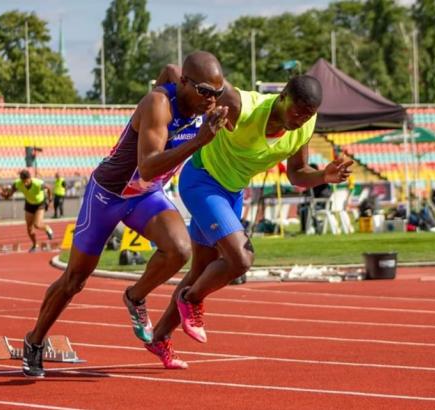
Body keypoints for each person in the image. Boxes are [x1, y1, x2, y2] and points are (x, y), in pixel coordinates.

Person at [20, 51, 229, 378]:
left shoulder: (206, 102)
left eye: (217, 93)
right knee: (74, 280)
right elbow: (146, 166)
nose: (212, 100)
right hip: (108, 195)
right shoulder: (158, 105)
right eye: (204, 91)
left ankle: (135, 296)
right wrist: (199, 141)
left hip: (145, 196)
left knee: (180, 250)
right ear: (185, 84)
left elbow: (168, 67)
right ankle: (34, 341)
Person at [145, 71, 353, 369]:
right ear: (282, 97)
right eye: (298, 110)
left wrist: (324, 176)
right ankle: (191, 299)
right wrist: (165, 85)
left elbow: (296, 173)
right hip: (202, 181)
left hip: (232, 192)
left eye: (309, 114)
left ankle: (160, 337)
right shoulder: (244, 105)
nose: (302, 119)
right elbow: (203, 77)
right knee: (241, 259)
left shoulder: (305, 127)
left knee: (203, 269)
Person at [4, 169, 54, 253]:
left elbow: (49, 188)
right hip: (29, 204)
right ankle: (34, 245)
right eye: (23, 181)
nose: (24, 183)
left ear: (30, 178)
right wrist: (7, 195)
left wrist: (50, 201)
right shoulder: (18, 183)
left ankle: (47, 228)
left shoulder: (38, 183)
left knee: (37, 225)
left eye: (26, 180)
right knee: (29, 228)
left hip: (40, 204)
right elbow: (11, 192)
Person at [298, 163, 332, 233]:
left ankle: (307, 229)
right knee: (303, 207)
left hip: (322, 205)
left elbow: (316, 194)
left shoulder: (320, 182)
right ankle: (307, 228)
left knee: (305, 208)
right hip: (319, 203)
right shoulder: (318, 180)